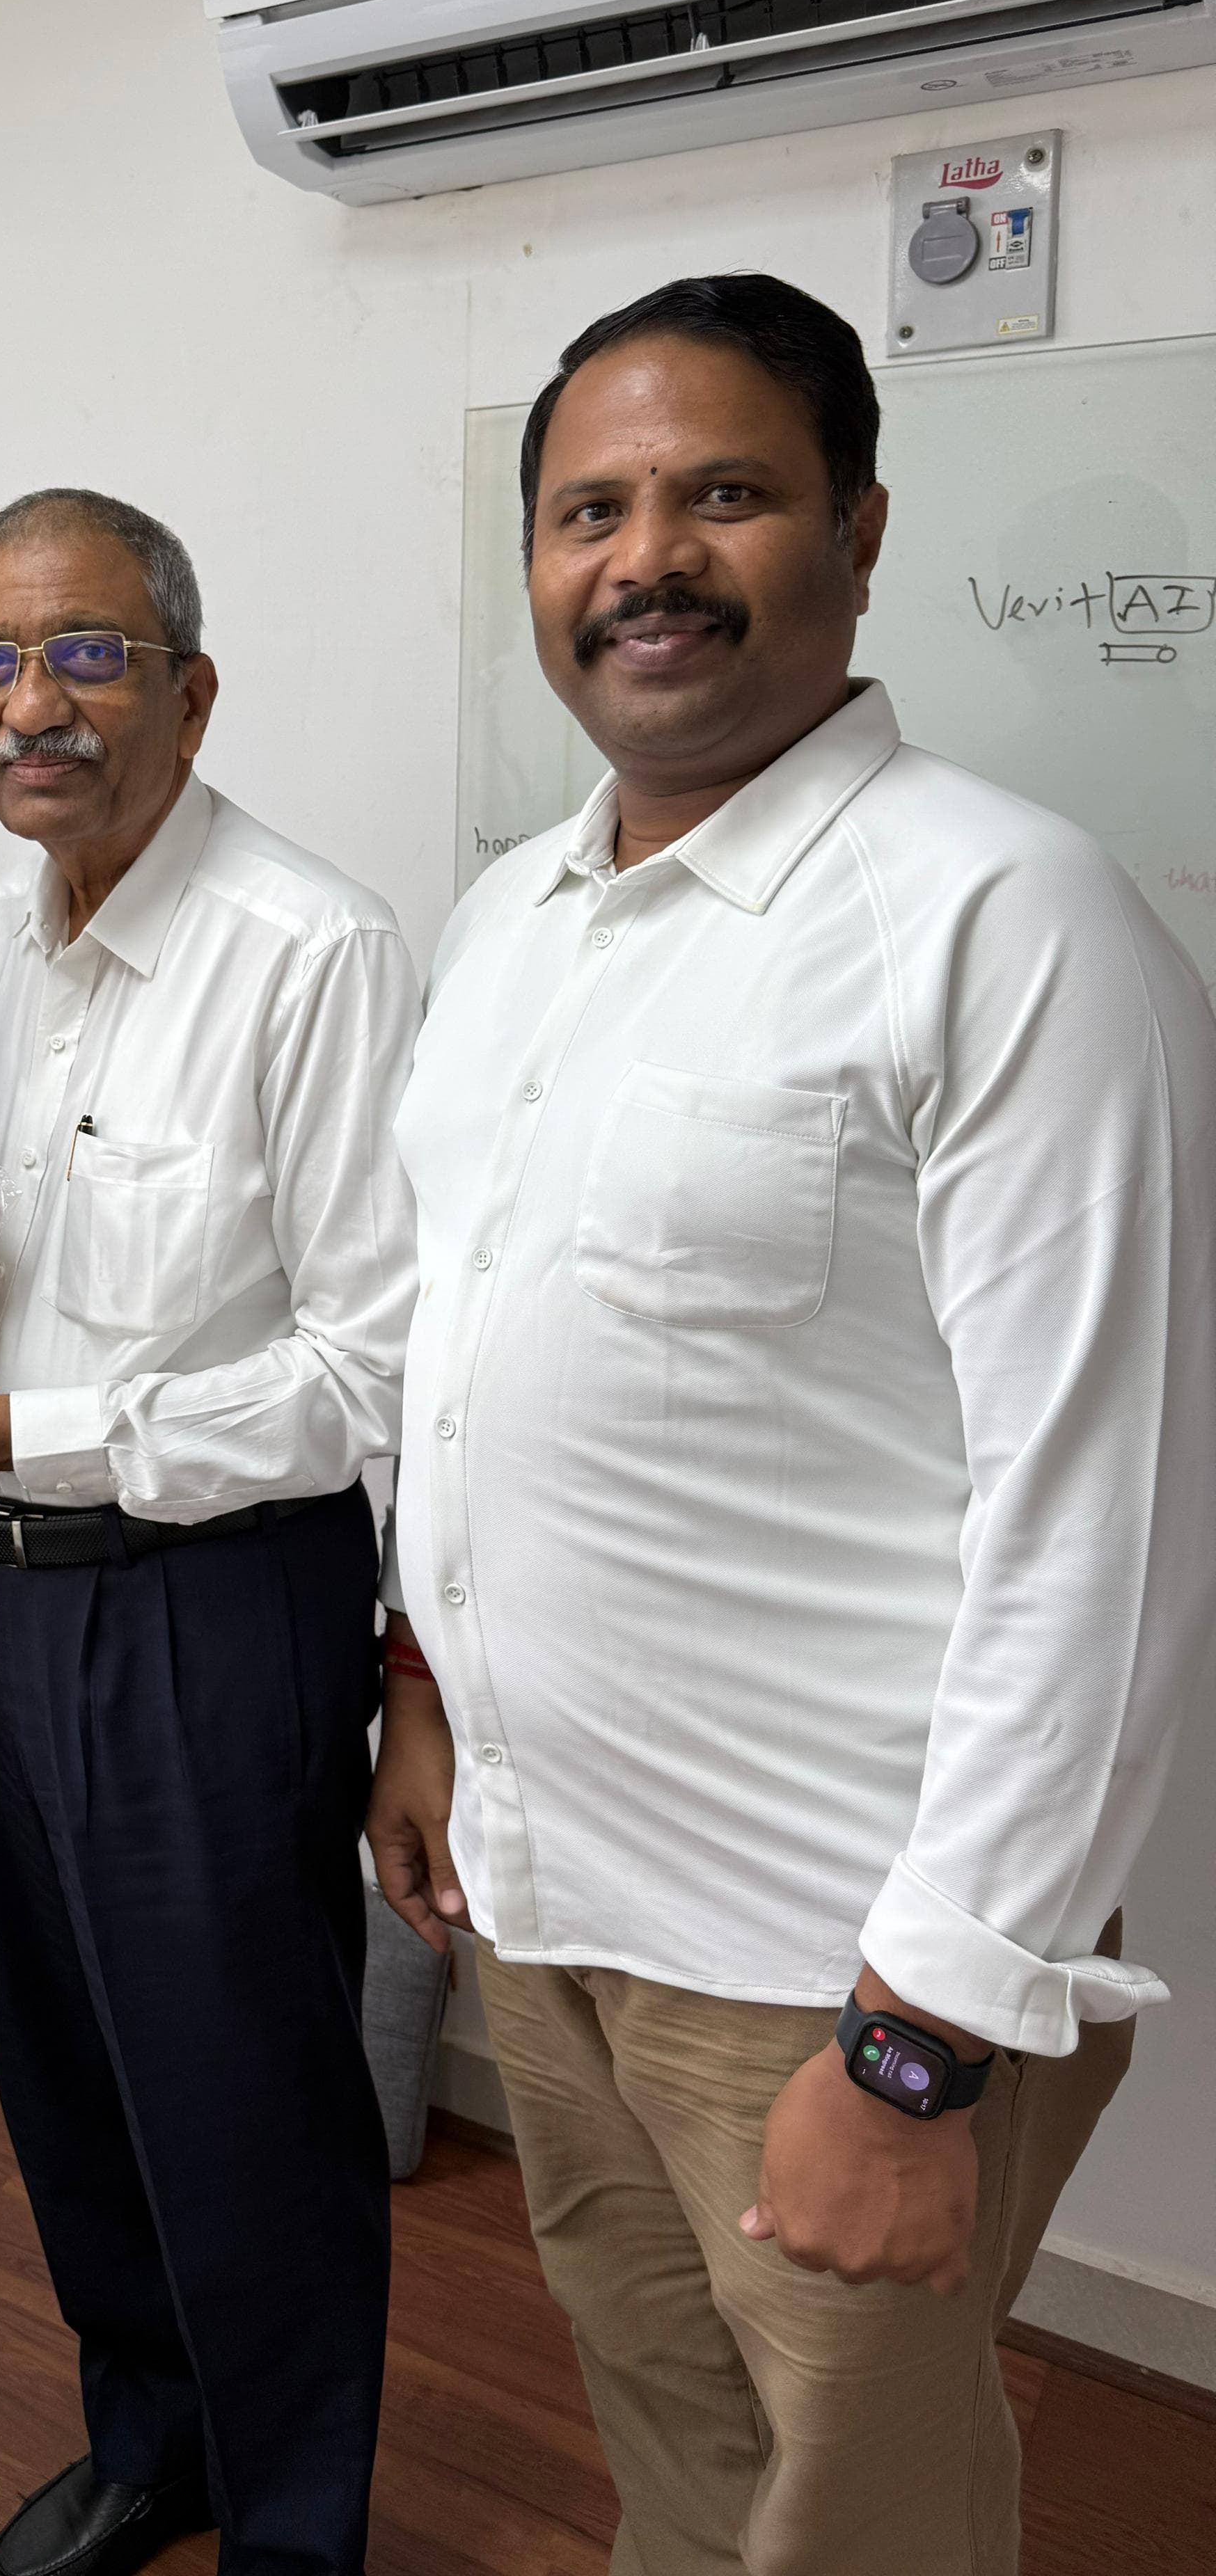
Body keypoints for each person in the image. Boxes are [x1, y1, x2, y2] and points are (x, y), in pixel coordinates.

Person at [367, 272, 1216, 2576]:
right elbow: (473, 1362)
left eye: (721, 494)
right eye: (588, 510)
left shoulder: (1006, 920)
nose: (644, 556)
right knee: (681, 2459)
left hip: (822, 1961)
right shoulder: (513, 924)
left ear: (853, 528)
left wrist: (922, 2044)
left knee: (865, 2526)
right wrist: (425, 1693)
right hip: (550, 1909)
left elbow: (1105, 1536)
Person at [0, 488, 418, 2576]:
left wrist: (16, 1422)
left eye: (84, 654)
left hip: (217, 1604)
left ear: (190, 689)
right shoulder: (2, 923)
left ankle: (297, 2522)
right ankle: (156, 2436)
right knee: (66, 2068)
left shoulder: (313, 951)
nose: (29, 705)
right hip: (10, 1594)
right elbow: (15, 1250)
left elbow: (365, 1372)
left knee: (247, 2095)